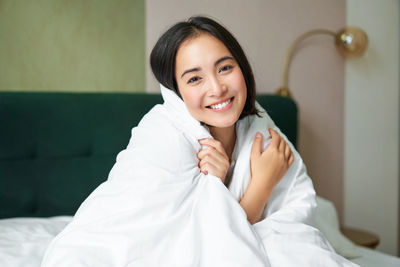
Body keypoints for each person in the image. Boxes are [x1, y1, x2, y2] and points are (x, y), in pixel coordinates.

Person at [41, 16, 358, 267]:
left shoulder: (260, 124)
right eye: (195, 78)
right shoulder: (162, 134)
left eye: (225, 68)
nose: (217, 88)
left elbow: (297, 207)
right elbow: (176, 245)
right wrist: (253, 183)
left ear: (241, 68)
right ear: (175, 90)